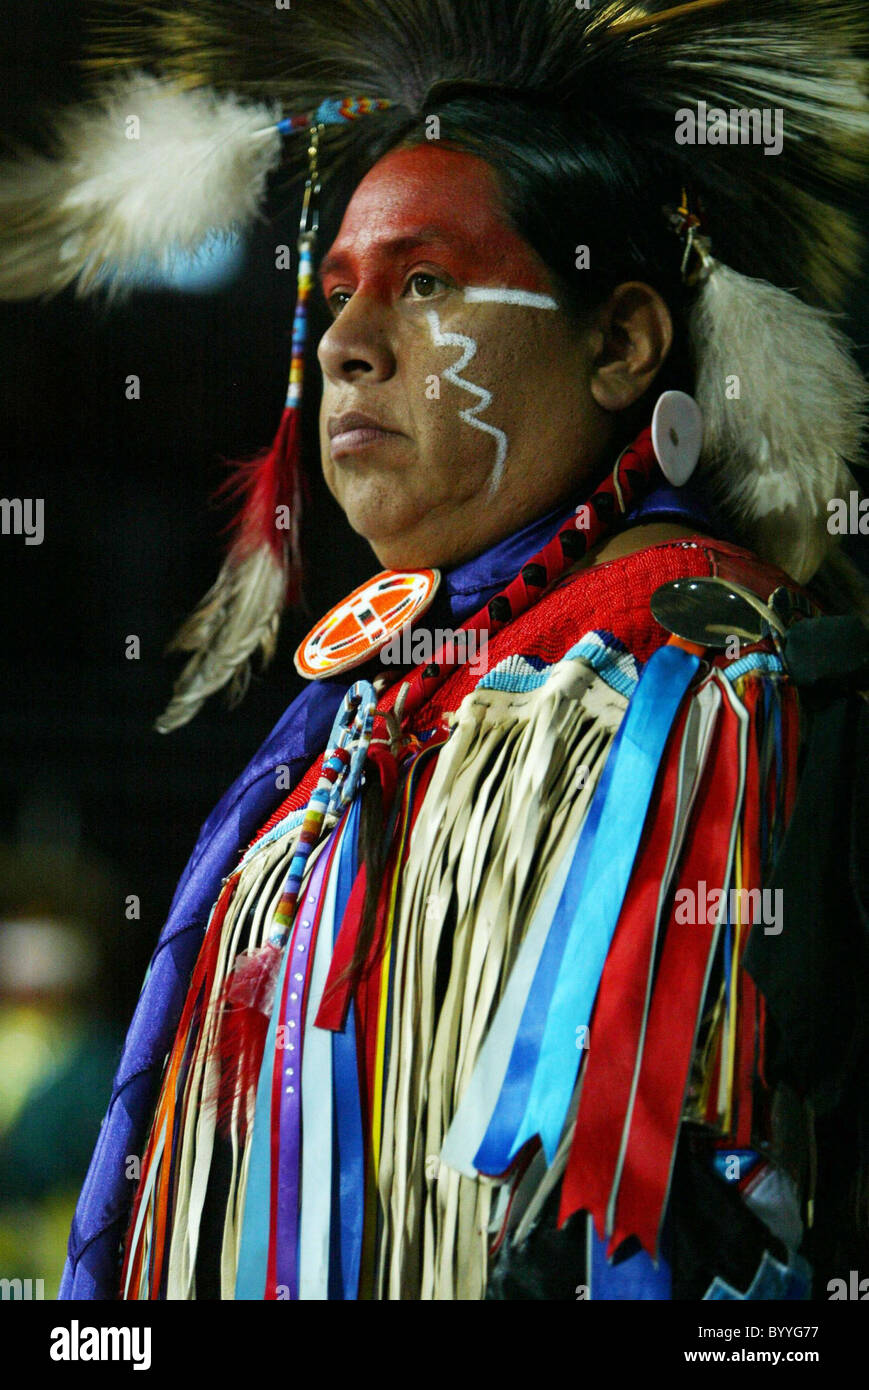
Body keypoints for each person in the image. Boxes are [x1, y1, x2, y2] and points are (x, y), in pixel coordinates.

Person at [4, 0, 867, 1300]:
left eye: (425, 283)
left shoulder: (706, 677)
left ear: (621, 344)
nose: (347, 347)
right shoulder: (365, 718)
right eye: (337, 293)